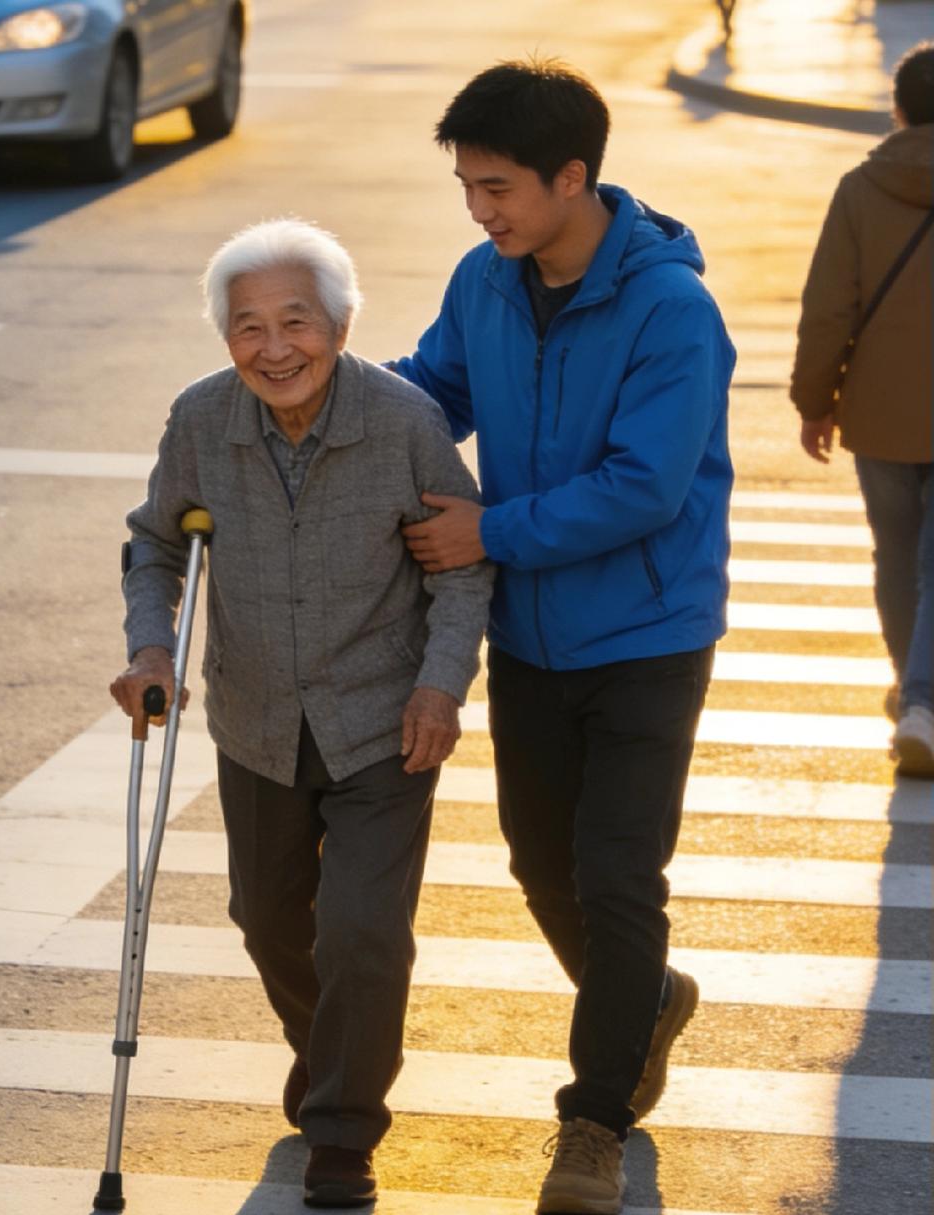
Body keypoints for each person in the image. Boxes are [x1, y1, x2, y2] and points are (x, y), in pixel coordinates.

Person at [389, 60, 735, 1215]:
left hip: (646, 631)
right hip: (531, 633)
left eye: (496, 188)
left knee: (615, 875)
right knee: (541, 868)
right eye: (466, 189)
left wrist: (490, 534)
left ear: (570, 176)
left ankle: (590, 1123)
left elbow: (643, 486)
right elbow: (432, 391)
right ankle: (641, 1001)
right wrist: (307, 394)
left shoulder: (670, 309)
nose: (479, 212)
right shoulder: (484, 280)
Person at [111, 219, 492, 1209]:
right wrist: (149, 647)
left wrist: (440, 686)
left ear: (340, 322)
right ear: (222, 335)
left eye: (296, 322)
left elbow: (462, 571)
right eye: (247, 327)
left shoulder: (402, 421)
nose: (273, 348)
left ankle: (339, 1132)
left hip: (382, 723)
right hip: (257, 722)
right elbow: (155, 546)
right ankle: (334, 1055)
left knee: (360, 932)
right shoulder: (200, 421)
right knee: (267, 916)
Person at [792, 41, 934, 777]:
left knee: (898, 555)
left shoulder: (861, 188)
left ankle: (915, 692)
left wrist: (814, 402)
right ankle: (924, 699)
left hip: (880, 412)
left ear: (899, 108)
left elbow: (828, 309)